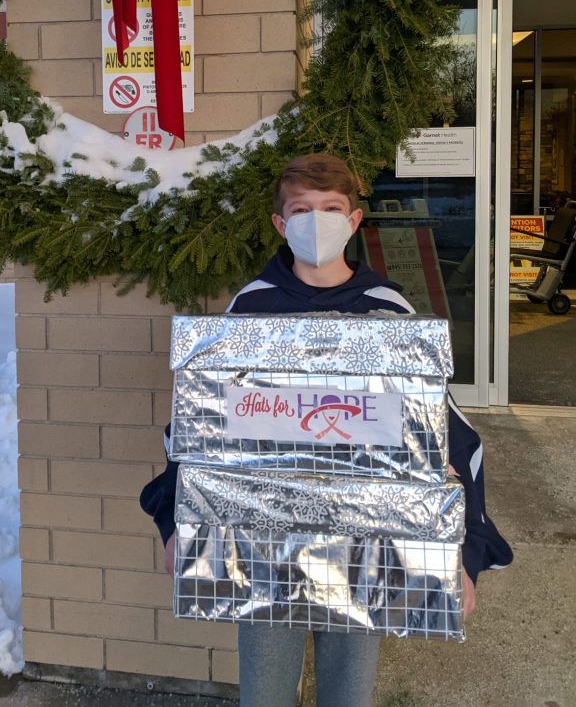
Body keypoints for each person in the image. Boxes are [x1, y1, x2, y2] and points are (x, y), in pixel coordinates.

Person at [140, 153, 513, 707]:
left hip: (364, 546)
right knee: (264, 692)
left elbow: (449, 438)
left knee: (348, 692)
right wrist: (176, 520)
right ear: (279, 223)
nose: (317, 221)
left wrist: (465, 553)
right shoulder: (249, 312)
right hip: (260, 545)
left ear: (355, 220)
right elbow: (201, 429)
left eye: (331, 208)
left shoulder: (387, 313)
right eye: (301, 210)